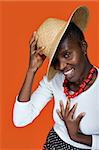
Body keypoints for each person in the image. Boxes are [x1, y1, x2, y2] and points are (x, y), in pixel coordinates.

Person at [13, 6, 99, 150]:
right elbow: (21, 119)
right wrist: (31, 71)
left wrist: (77, 137)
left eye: (67, 55)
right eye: (55, 61)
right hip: (54, 145)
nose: (62, 66)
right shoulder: (54, 80)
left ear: (83, 47)